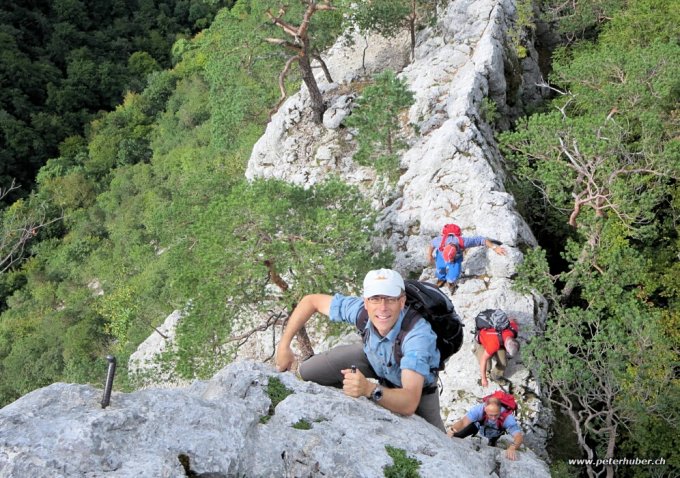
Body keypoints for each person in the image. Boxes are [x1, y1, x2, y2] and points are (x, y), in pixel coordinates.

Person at [275, 268, 445, 431]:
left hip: (418, 388)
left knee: (437, 442)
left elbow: (409, 403)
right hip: (374, 359)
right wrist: (284, 346)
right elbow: (311, 301)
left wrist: (368, 389)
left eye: (390, 299)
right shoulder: (360, 311)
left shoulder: (417, 336)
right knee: (309, 372)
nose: (382, 307)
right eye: (375, 299)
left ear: (402, 302)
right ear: (366, 302)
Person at [426, 224, 506, 293]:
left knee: (454, 274)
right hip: (441, 256)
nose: (449, 261)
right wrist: (429, 255)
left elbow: (482, 240)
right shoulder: (438, 241)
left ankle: (450, 282)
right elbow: (431, 245)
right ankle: (441, 278)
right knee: (440, 268)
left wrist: (495, 247)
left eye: (450, 259)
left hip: (456, 259)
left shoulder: (464, 242)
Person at [448, 397, 524, 460]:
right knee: (457, 434)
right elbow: (463, 422)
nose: (493, 418)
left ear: (500, 410)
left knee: (492, 445)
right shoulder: (478, 410)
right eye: (490, 415)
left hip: (495, 432)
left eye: (496, 415)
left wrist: (512, 447)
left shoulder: (507, 418)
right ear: (485, 409)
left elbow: (518, 436)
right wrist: (452, 429)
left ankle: (492, 442)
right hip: (478, 426)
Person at [475, 311, 520, 387]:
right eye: (508, 352)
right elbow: (483, 360)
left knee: (503, 363)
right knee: (487, 366)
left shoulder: (513, 331)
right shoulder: (493, 345)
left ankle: (495, 376)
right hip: (483, 342)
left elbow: (512, 321)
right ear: (506, 346)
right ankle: (475, 349)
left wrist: (513, 321)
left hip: (497, 341)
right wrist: (483, 379)